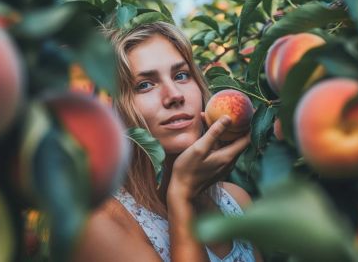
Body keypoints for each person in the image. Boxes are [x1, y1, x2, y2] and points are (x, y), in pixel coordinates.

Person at [72, 20, 262, 262]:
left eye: (182, 75)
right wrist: (180, 197)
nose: (174, 95)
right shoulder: (100, 227)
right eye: (144, 85)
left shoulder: (236, 200)